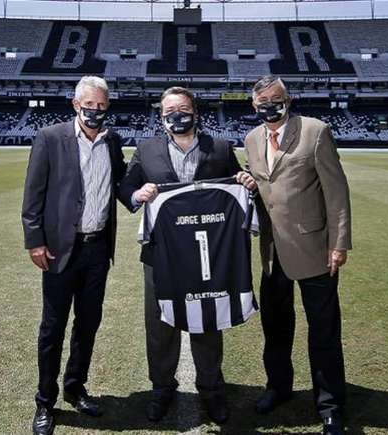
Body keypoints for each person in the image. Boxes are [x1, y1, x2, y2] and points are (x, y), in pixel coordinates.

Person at [119, 86, 256, 424]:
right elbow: (124, 188)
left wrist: (245, 180)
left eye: (183, 108)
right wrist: (138, 193)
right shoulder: (146, 149)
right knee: (160, 324)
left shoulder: (220, 148)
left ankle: (212, 391)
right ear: (161, 115)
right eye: (169, 110)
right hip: (160, 253)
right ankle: (161, 389)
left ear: (195, 112)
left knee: (207, 319)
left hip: (205, 254)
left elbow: (236, 183)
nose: (176, 115)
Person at [241, 75, 352, 435]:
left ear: (288, 100)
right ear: (253, 107)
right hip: (272, 252)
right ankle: (278, 388)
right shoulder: (253, 139)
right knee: (275, 328)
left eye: (276, 100)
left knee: (323, 331)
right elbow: (264, 186)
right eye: (262, 104)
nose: (269, 108)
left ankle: (330, 404)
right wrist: (248, 183)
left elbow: (336, 193)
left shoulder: (315, 132)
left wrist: (339, 243)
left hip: (313, 249)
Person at [22, 76, 127, 435]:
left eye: (101, 105)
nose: (95, 110)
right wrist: (35, 241)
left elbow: (122, 185)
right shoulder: (50, 138)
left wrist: (147, 193)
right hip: (59, 250)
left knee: (88, 324)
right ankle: (44, 402)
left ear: (107, 106)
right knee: (52, 328)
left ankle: (75, 387)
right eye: (89, 104)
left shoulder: (113, 141)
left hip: (98, 249)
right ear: (74, 104)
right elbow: (33, 196)